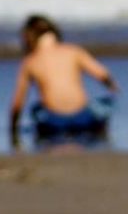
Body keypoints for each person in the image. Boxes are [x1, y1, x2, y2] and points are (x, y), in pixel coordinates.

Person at [9, 15, 119, 150]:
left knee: (36, 109)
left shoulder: (30, 61)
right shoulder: (74, 52)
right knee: (103, 104)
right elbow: (102, 74)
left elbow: (17, 104)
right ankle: (99, 131)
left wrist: (13, 130)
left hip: (54, 121)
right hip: (84, 117)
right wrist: (112, 86)